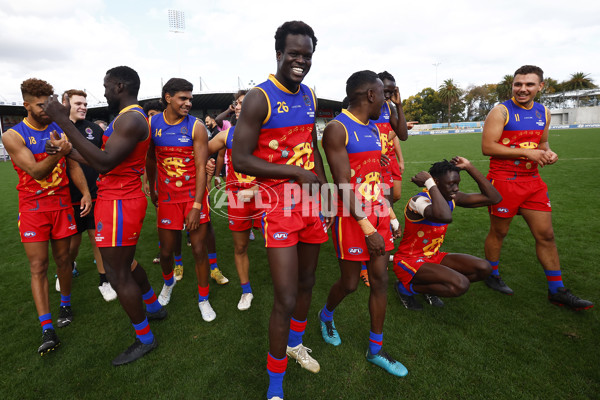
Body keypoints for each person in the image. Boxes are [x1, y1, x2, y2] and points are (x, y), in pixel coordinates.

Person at [43, 66, 167, 365]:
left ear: (120, 86)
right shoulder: (125, 119)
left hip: (119, 202)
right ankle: (153, 306)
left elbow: (105, 163)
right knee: (125, 262)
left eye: (107, 86)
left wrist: (61, 118)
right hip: (117, 200)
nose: (104, 91)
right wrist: (67, 151)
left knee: (116, 272)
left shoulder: (133, 119)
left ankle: (145, 338)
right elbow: (103, 158)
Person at [232, 21, 330, 400]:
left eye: (307, 55)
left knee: (307, 284)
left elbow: (312, 146)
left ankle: (296, 343)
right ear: (278, 54)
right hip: (277, 207)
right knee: (285, 297)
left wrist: (323, 192)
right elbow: (240, 159)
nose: (301, 61)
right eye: (294, 54)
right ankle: (275, 385)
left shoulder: (308, 94)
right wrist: (294, 172)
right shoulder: (260, 97)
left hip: (309, 206)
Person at [481, 65, 593, 310]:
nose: (523, 89)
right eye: (518, 84)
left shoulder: (544, 111)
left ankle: (557, 290)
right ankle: (492, 274)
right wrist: (526, 152)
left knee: (547, 235)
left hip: (533, 182)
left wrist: (548, 153)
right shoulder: (501, 111)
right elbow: (488, 147)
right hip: (504, 181)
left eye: (529, 84)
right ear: (512, 85)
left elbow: (542, 143)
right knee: (499, 232)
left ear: (540, 87)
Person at [318, 70, 407, 377]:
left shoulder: (374, 129)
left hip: (378, 212)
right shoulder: (337, 129)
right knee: (350, 284)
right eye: (383, 94)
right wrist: (368, 228)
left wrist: (389, 215)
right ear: (370, 94)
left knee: (381, 281)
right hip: (353, 219)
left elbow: (376, 177)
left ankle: (375, 350)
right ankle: (326, 315)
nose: (386, 99)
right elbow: (342, 183)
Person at [2, 78, 89, 355]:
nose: (46, 110)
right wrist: (59, 153)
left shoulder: (59, 127)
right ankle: (47, 327)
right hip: (33, 210)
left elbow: (73, 164)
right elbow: (36, 171)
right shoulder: (12, 135)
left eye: (49, 104)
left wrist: (85, 192)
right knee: (38, 267)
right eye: (40, 105)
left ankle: (65, 303)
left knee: (64, 259)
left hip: (62, 206)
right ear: (26, 105)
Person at [145, 78, 217, 321]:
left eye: (190, 99)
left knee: (199, 249)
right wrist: (151, 185)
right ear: (168, 97)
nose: (188, 103)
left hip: (192, 196)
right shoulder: (151, 124)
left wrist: (197, 205)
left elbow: (200, 167)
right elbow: (151, 159)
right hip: (167, 198)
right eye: (183, 98)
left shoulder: (196, 127)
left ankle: (204, 299)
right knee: (165, 252)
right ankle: (168, 284)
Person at [392, 158, 501, 310]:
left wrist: (469, 167)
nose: (456, 189)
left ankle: (428, 286)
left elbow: (494, 198)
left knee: (484, 268)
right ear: (436, 183)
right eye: (451, 184)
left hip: (433, 256)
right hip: (410, 261)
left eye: (457, 183)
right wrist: (429, 183)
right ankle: (406, 289)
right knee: (461, 285)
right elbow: (444, 216)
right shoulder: (418, 201)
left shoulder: (451, 197)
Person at [62, 89, 117, 302]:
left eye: (85, 103)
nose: (83, 107)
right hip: (68, 196)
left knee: (97, 238)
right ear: (65, 104)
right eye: (78, 103)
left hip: (95, 194)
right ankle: (68, 266)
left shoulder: (94, 129)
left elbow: (104, 158)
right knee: (72, 243)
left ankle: (104, 280)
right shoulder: (56, 130)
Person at [208, 89, 257, 310]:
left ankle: (284, 286)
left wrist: (257, 189)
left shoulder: (267, 133)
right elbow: (199, 151)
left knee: (279, 246)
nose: (239, 106)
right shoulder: (227, 134)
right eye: (237, 103)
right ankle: (246, 291)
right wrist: (208, 165)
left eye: (244, 103)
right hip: (237, 197)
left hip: (266, 196)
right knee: (240, 246)